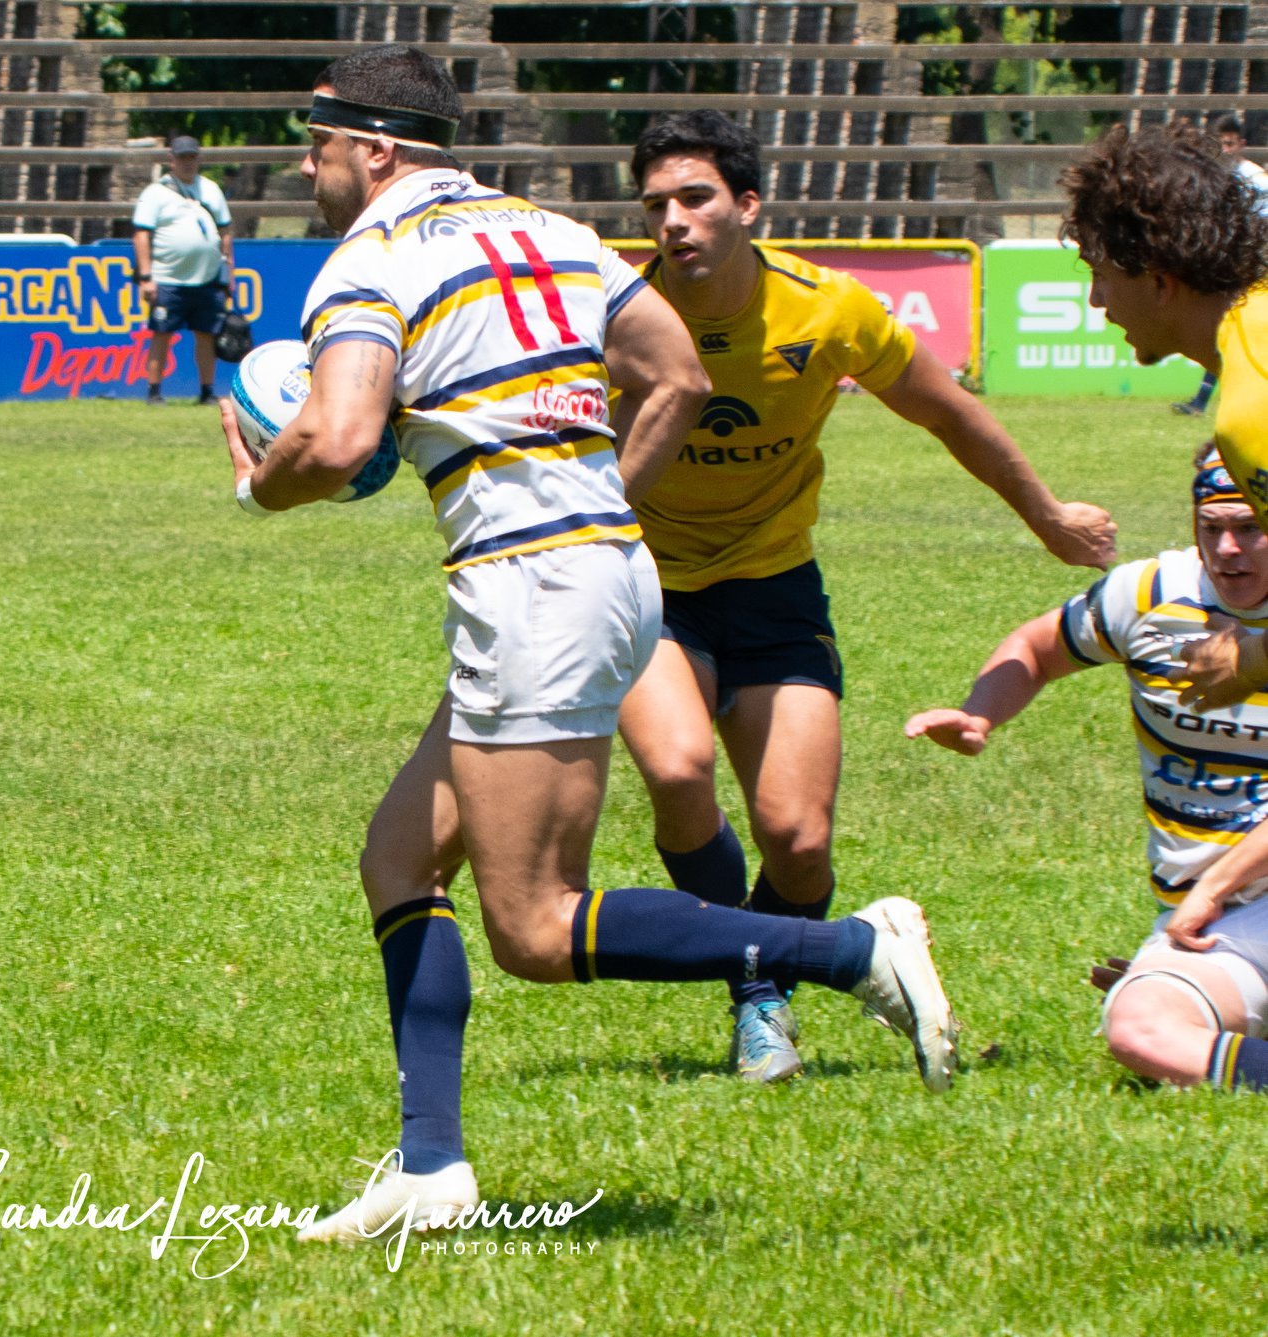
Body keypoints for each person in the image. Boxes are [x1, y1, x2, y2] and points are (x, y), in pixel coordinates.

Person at [220, 45, 958, 1244]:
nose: (308, 169)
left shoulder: (371, 259)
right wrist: (596, 501)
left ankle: (850, 949)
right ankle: (429, 1167)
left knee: (533, 924)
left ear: (374, 150)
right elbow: (671, 375)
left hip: (532, 588)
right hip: (609, 567)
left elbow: (340, 432)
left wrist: (263, 485)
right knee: (399, 859)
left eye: (317, 146)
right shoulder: (557, 231)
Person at [613, 110, 1116, 1084]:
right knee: (676, 772)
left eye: (695, 198)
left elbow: (947, 410)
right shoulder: (615, 312)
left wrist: (1045, 513)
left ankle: (761, 985)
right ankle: (760, 998)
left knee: (797, 841)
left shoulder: (827, 309)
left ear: (747, 204)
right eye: (655, 205)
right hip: (652, 587)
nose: (672, 221)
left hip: (773, 586)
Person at [907, 449, 1268, 1094]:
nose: (1229, 550)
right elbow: (1039, 648)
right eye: (1211, 528)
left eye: (1250, 527)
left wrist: (1212, 893)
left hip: (1218, 900)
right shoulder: (1152, 594)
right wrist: (978, 716)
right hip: (1210, 918)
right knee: (1140, 1026)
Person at [1063, 122, 1268, 714]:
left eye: (1101, 274)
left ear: (1158, 282)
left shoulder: (1251, 413)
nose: (1098, 301)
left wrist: (1248, 659)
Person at [1173, 115, 1268, 417]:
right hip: (1236, 263)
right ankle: (1202, 402)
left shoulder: (1255, 179)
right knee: (1225, 329)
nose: (1225, 148)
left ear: (1241, 144)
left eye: (1230, 142)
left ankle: (1203, 402)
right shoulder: (1215, 178)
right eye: (1221, 142)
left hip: (1255, 264)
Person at [131, 134, 232, 405]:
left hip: (206, 277)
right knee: (162, 333)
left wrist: (228, 271)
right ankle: (154, 391)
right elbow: (141, 235)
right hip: (167, 278)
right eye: (182, 157)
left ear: (198, 158)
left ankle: (207, 391)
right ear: (171, 160)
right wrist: (145, 277)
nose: (188, 163)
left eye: (192, 157)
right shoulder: (155, 193)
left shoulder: (210, 189)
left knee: (206, 334)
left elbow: (225, 232)